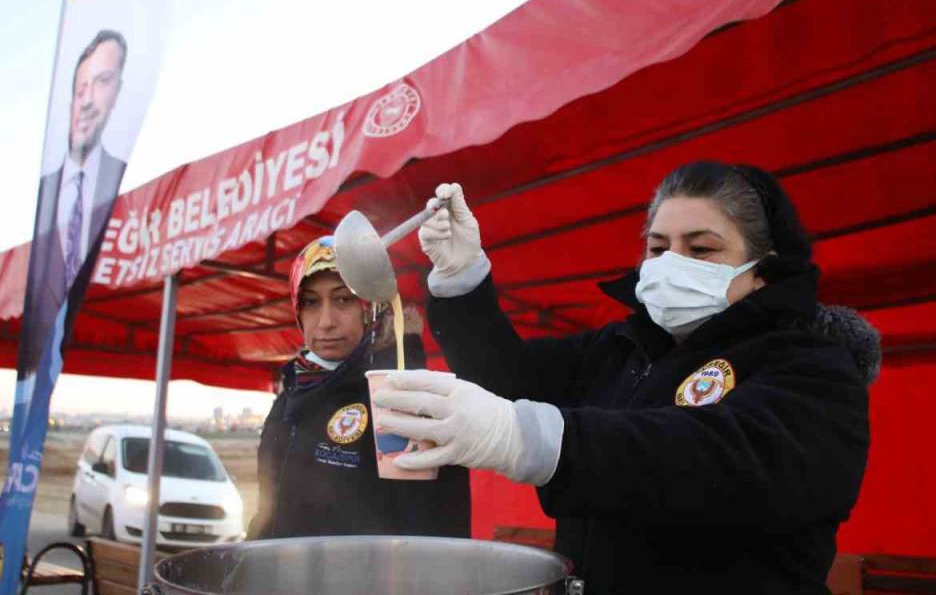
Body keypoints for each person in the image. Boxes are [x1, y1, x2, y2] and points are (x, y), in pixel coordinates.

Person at [373, 161, 879, 593]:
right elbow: (508, 378)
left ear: (762, 272)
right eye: (658, 249)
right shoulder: (621, 349)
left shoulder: (813, 367)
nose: (671, 264)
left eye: (701, 250)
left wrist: (534, 438)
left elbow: (719, 458)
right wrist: (462, 281)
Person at [247, 236, 470, 540]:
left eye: (343, 299)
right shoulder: (294, 391)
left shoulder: (406, 396)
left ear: (373, 307)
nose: (325, 322)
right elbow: (267, 513)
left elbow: (432, 539)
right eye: (310, 302)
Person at [20, 29, 129, 374]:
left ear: (118, 92)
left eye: (101, 82)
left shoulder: (119, 185)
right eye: (80, 87)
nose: (86, 100)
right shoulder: (48, 192)